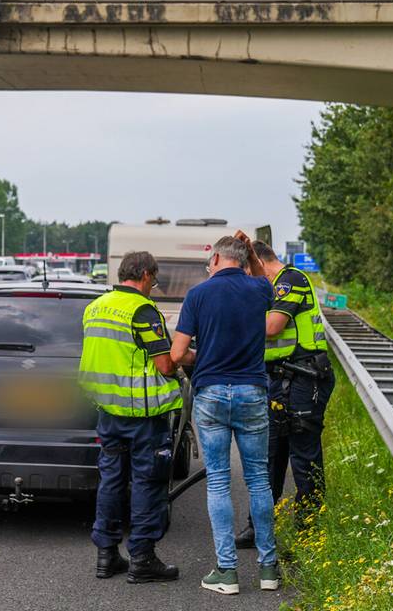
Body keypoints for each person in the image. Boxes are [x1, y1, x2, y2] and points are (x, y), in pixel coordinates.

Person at [169, 233, 280, 596]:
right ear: (242, 258)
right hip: (251, 391)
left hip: (212, 394)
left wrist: (205, 359)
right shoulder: (257, 290)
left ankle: (227, 572)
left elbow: (177, 353)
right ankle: (268, 569)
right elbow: (265, 276)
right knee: (259, 480)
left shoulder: (198, 295)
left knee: (218, 480)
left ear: (215, 259)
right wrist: (249, 250)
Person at [79, 250, 185, 584]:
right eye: (154, 279)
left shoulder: (95, 306)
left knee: (110, 481)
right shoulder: (142, 310)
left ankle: (106, 556)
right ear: (145, 274)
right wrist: (187, 356)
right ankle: (142, 558)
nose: (154, 285)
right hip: (143, 415)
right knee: (147, 483)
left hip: (108, 411)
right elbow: (165, 364)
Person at [235, 241, 333, 550]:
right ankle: (259, 526)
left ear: (258, 264)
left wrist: (231, 322)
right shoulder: (267, 289)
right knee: (269, 455)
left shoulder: (290, 280)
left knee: (303, 456)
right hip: (277, 378)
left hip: (305, 378)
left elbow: (273, 327)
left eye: (246, 272)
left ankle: (309, 531)